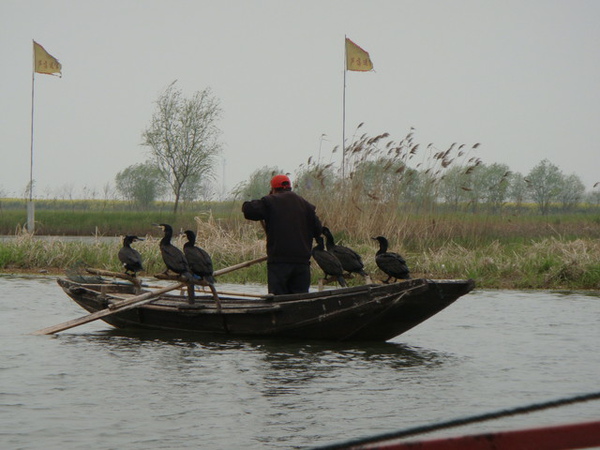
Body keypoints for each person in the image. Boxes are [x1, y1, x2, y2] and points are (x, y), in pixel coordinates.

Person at [242, 174, 322, 295]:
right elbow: (318, 230)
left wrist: (266, 198)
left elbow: (248, 210)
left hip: (279, 264)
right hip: (302, 265)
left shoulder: (271, 201)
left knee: (279, 300)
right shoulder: (306, 206)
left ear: (273, 189)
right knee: (300, 301)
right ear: (289, 187)